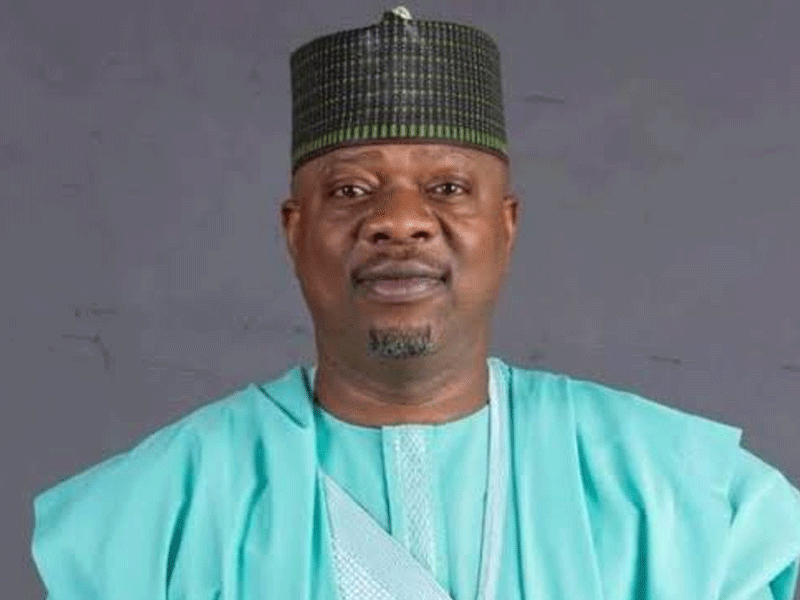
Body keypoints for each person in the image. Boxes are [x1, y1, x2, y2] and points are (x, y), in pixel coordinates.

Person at [31, 7, 800, 600]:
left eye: (448, 186)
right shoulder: (155, 517)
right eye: (350, 190)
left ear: (505, 226)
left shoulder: (692, 501)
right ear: (294, 231)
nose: (399, 220)